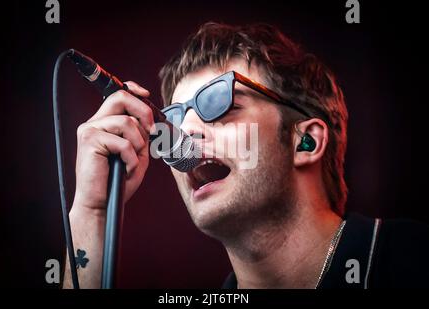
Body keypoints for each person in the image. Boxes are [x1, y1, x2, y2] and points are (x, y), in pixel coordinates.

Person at [63, 22, 429, 289]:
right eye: (172, 119)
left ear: (306, 142)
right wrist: (91, 214)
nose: (184, 132)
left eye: (218, 103)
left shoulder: (413, 259)